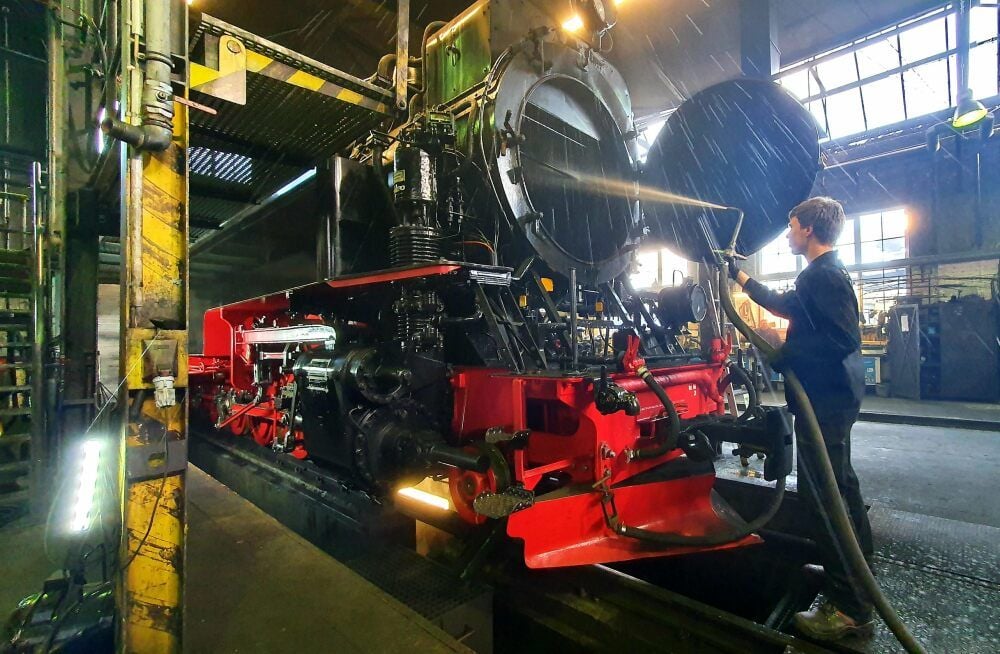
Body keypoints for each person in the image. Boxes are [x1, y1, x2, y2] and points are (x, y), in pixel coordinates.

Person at [728, 196, 874, 642]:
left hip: (825, 404)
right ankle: (860, 583)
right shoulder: (821, 276)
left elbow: (842, 338)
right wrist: (738, 273)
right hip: (833, 400)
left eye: (792, 226)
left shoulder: (825, 276)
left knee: (824, 498)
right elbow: (784, 304)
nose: (789, 233)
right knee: (843, 490)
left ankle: (848, 608)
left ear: (809, 229)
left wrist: (787, 353)